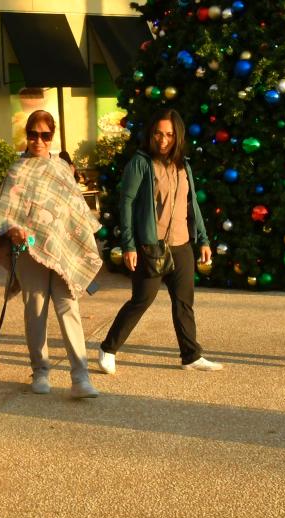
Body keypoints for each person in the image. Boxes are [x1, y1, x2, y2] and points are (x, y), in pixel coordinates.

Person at [97, 108, 223, 374]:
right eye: (158, 133)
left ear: (177, 136)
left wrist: (203, 239)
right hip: (151, 246)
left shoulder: (183, 165)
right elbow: (127, 204)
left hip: (181, 245)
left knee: (184, 302)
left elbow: (192, 206)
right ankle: (108, 348)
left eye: (169, 134)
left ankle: (191, 355)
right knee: (142, 299)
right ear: (150, 135)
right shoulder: (141, 163)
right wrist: (130, 245)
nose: (163, 140)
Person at [0, 110, 103, 398]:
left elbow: (76, 210)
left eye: (45, 135)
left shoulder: (62, 169)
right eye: (33, 134)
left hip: (62, 251)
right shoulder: (17, 170)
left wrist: (80, 242)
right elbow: (5, 212)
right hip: (30, 251)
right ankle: (40, 370)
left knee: (69, 308)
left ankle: (81, 376)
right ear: (27, 135)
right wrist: (12, 230)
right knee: (35, 311)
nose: (38, 140)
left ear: (52, 137)